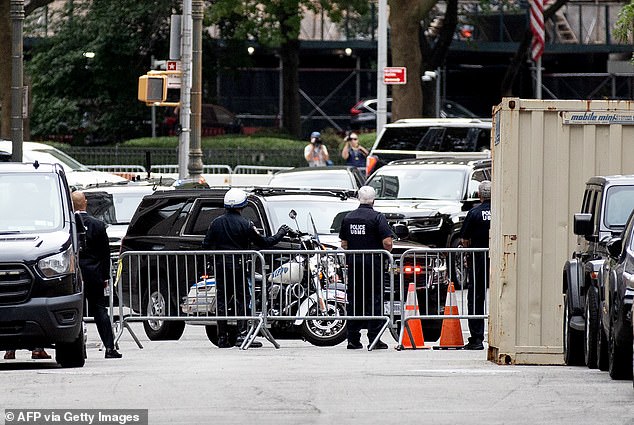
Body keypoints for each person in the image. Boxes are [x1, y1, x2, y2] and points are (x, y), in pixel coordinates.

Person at [203, 188, 291, 348]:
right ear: (242, 205)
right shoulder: (246, 224)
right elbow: (264, 242)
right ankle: (241, 336)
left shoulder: (215, 223)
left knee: (222, 300)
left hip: (221, 267)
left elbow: (206, 245)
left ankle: (222, 338)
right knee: (243, 299)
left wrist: (212, 261)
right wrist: (281, 233)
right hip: (238, 267)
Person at [338, 186, 393, 350]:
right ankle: (374, 338)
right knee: (375, 300)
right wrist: (384, 253)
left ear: (358, 198)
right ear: (374, 200)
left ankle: (353, 339)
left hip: (354, 264)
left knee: (354, 300)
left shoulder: (348, 217)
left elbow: (344, 243)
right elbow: (388, 242)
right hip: (373, 265)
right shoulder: (377, 217)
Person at [72, 191, 122, 359]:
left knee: (75, 312)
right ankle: (109, 347)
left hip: (75, 274)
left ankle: (78, 348)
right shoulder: (98, 225)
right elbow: (104, 254)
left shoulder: (69, 225)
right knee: (100, 310)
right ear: (85, 202)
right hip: (94, 274)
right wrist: (106, 277)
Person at [459, 180, 491, 351]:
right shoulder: (502, 211)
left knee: (476, 297)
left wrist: (467, 255)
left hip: (478, 260)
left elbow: (464, 239)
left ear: (479, 195)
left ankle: (477, 339)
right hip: (500, 260)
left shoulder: (474, 213)